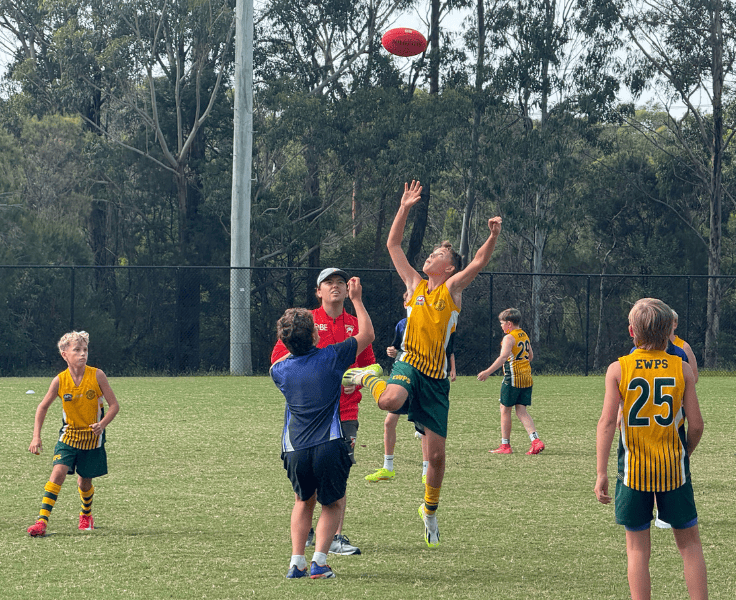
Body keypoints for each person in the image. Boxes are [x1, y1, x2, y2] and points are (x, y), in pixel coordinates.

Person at [345, 179, 502, 548]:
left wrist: (492, 235)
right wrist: (404, 207)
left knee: (436, 458)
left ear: (449, 269)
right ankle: (370, 377)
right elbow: (393, 244)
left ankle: (429, 512)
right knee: (388, 401)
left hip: (436, 381)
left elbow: (478, 261)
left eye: (438, 255)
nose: (431, 256)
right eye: (431, 253)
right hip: (409, 364)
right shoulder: (414, 284)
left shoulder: (451, 290)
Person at [595, 298, 707, 600]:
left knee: (636, 550)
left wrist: (601, 472)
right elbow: (696, 425)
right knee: (690, 546)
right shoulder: (682, 369)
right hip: (673, 470)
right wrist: (684, 455)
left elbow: (607, 423)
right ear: (670, 330)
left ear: (632, 332)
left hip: (633, 472)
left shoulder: (618, 369)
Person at [271, 267, 380, 556]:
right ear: (318, 291)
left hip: (346, 411)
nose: (335, 286)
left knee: (337, 476)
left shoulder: (354, 323)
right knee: (309, 480)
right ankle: (310, 535)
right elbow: (281, 359)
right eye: (328, 282)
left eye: (340, 282)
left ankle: (334, 538)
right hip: (311, 412)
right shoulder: (304, 323)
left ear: (347, 290)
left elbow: (371, 363)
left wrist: (354, 378)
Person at [27, 331, 120, 537]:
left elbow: (114, 405)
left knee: (84, 481)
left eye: (85, 350)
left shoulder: (97, 375)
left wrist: (102, 424)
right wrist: (36, 436)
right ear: (64, 354)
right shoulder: (60, 381)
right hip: (69, 436)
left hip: (92, 439)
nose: (82, 354)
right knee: (58, 473)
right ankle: (42, 521)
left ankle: (86, 513)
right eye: (76, 350)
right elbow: (42, 407)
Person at [366, 317, 455, 484]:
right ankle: (388, 467)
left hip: (423, 378)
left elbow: (447, 349)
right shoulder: (402, 324)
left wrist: (452, 369)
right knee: (389, 421)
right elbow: (397, 347)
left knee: (423, 428)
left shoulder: (435, 321)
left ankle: (426, 470)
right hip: (404, 377)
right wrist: (392, 351)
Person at [477, 308, 544, 455]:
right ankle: (536, 440)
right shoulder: (524, 335)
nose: (501, 326)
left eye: (501, 323)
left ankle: (505, 446)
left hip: (513, 378)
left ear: (508, 323)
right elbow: (530, 356)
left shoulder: (509, 338)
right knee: (521, 411)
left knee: (505, 409)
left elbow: (503, 357)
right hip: (527, 378)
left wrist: (487, 372)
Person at [671, 310, 699, 383]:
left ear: (675, 325)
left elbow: (694, 376)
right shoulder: (654, 345)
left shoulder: (684, 346)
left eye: (668, 321)